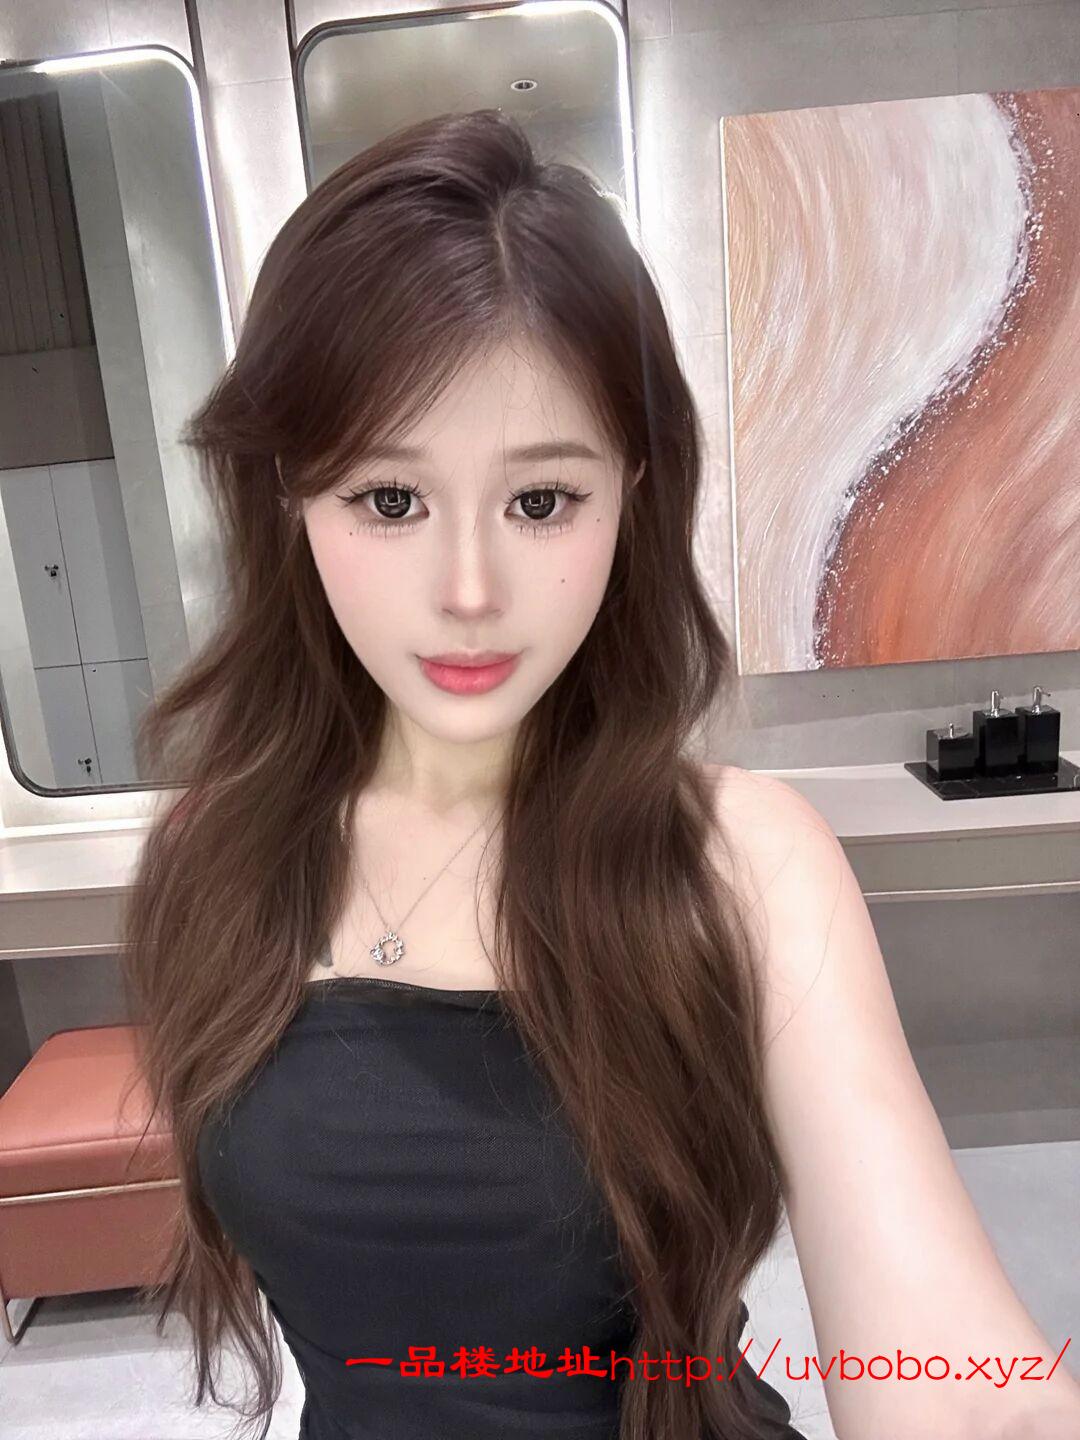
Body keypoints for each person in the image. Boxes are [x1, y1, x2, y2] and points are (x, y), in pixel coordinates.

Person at [122, 109, 1080, 1440]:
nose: (468, 592)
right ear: (293, 494)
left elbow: (956, 1383)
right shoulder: (217, 860)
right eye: (390, 500)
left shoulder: (741, 862)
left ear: (631, 490)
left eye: (540, 502)